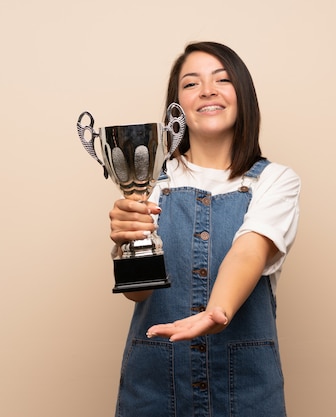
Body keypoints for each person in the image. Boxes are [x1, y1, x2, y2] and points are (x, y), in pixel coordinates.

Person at [108, 41, 300, 417]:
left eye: (222, 79)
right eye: (191, 83)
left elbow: (250, 249)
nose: (208, 90)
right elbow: (138, 294)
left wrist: (217, 310)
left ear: (243, 95)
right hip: (153, 389)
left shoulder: (275, 181)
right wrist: (126, 241)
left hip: (245, 392)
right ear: (176, 108)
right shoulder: (151, 184)